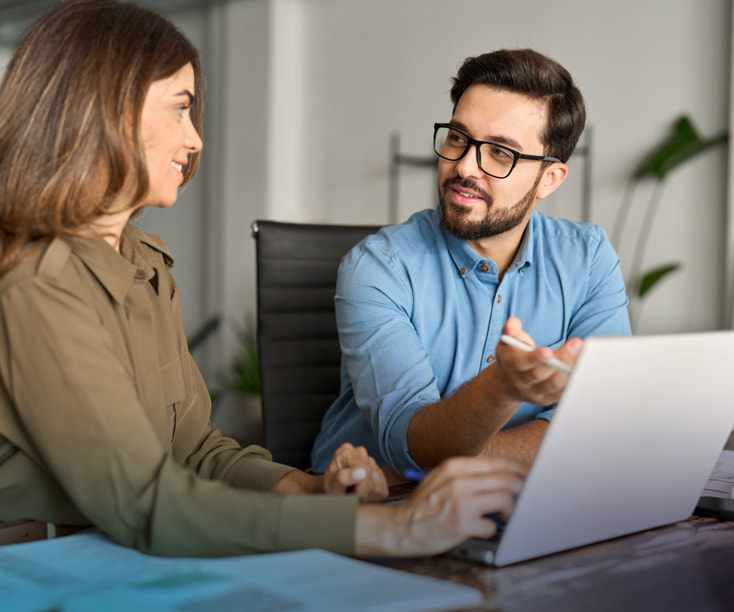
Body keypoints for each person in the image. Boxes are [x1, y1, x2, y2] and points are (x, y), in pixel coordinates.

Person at [0, 0, 524, 559]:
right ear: (108, 109)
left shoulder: (145, 266)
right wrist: (397, 529)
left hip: (132, 552)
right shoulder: (36, 284)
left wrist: (308, 490)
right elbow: (146, 503)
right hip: (41, 562)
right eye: (179, 109)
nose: (195, 139)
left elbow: (196, 452)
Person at [312, 48, 631, 481]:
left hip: (521, 501)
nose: (463, 166)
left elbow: (603, 422)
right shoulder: (378, 268)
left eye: (501, 153)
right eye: (458, 137)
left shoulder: (588, 259)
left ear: (549, 180)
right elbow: (409, 442)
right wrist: (504, 388)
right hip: (372, 513)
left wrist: (468, 463)